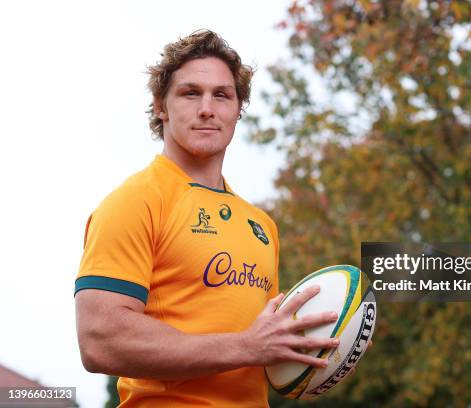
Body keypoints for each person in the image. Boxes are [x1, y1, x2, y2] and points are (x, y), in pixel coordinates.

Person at [74, 29, 339, 407]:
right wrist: (246, 346)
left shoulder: (262, 226)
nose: (207, 108)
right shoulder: (135, 201)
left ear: (237, 109)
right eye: (190, 93)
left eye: (222, 95)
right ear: (160, 107)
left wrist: (333, 344)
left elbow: (264, 356)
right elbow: (100, 341)